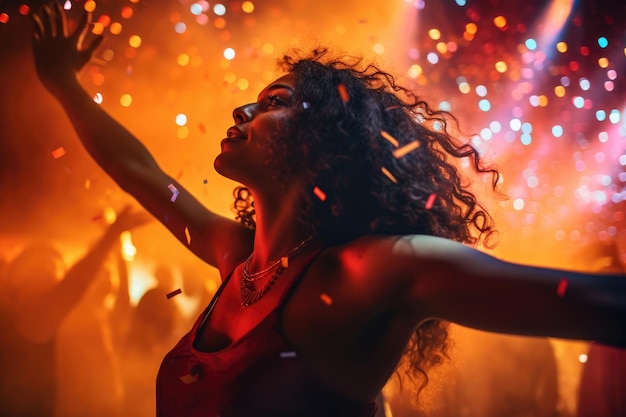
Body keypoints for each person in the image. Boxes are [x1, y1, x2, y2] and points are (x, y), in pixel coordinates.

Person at [30, 3, 626, 417]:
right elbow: (141, 174)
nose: (243, 112)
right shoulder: (238, 259)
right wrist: (64, 85)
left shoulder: (373, 271)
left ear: (325, 138)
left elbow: (601, 307)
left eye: (274, 104)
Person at [0, 205, 150, 417]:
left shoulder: (69, 315)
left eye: (57, 268)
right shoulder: (28, 315)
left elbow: (108, 297)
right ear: (19, 277)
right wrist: (112, 235)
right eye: (45, 267)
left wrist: (119, 251)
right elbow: (75, 283)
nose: (54, 273)